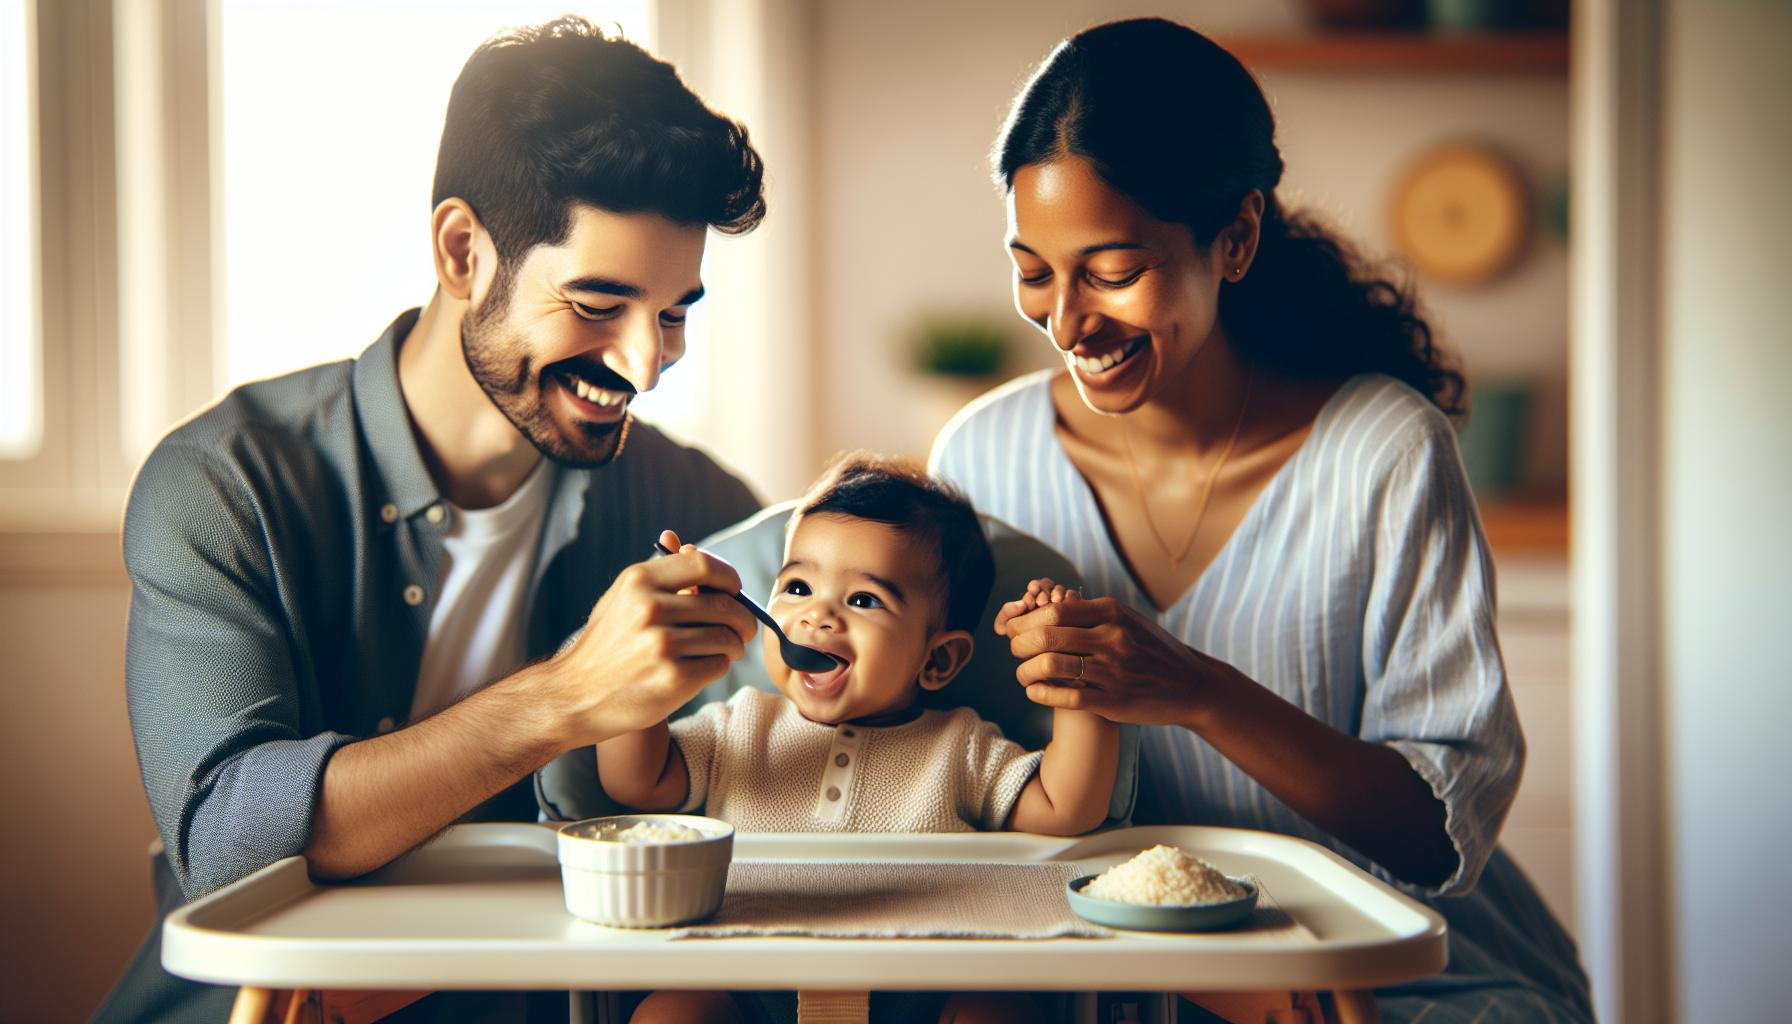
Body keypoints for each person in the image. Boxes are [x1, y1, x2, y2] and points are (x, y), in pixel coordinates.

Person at [98, 18, 769, 1021]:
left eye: (673, 313)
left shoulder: (696, 507)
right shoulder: (227, 483)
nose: (645, 364)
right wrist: (566, 696)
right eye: (597, 304)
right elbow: (227, 842)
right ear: (464, 250)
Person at [929, 18, 1593, 1023]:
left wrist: (1193, 688)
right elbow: (961, 779)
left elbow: (1433, 837)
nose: (1066, 322)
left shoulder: (1381, 452)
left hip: (1395, 966)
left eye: (1109, 270)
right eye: (1033, 271)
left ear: (1233, 238)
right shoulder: (980, 459)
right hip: (1104, 969)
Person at [598, 455, 1120, 1024]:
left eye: (863, 600)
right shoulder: (739, 727)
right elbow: (635, 783)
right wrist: (646, 668)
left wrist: (1074, 669)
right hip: (746, 984)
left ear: (938, 659)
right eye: (797, 586)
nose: (817, 616)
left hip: (929, 989)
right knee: (670, 1014)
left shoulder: (958, 747)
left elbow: (1067, 807)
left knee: (994, 1012)